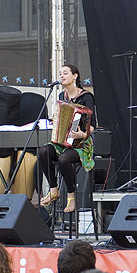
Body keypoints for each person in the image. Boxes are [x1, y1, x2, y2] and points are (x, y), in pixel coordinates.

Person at [38, 65, 96, 212]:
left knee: (64, 159)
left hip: (82, 143)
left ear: (75, 76)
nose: (62, 76)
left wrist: (82, 134)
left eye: (65, 73)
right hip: (63, 142)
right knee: (43, 151)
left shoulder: (86, 97)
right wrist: (56, 121)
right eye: (60, 73)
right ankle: (53, 190)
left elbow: (93, 125)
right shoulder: (61, 97)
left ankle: (71, 197)